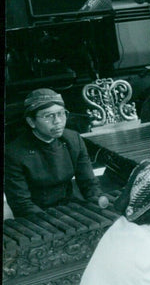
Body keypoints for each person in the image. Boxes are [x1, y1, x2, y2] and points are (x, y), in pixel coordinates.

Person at [5, 88, 108, 218]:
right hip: (36, 217)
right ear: (31, 122)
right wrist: (52, 222)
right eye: (48, 116)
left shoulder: (73, 139)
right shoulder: (13, 153)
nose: (58, 121)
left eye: (61, 114)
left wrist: (97, 198)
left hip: (71, 205)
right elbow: (21, 203)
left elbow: (88, 183)